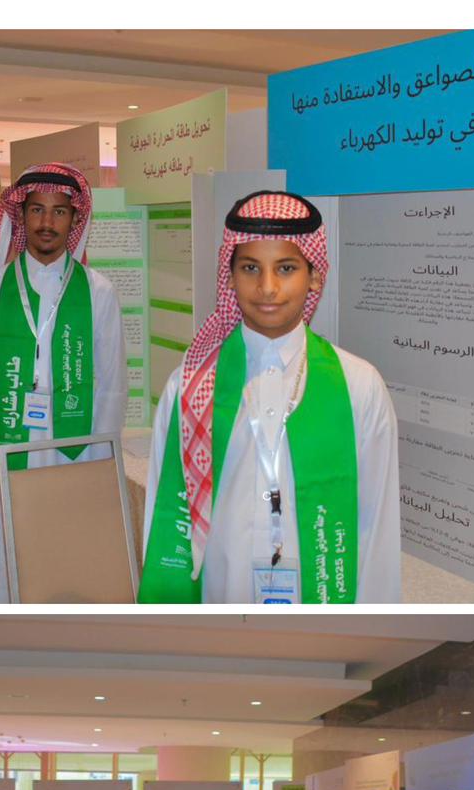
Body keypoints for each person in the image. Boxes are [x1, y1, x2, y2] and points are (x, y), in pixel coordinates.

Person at [139, 190, 401, 604]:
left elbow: (376, 525)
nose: (267, 287)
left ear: (315, 276)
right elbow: (165, 513)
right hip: (218, 601)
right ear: (229, 276)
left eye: (286, 268)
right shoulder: (189, 388)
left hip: (320, 607)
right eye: (250, 268)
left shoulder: (359, 386)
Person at [0, 161, 126, 603]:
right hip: (4, 448)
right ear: (21, 215)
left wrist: (100, 464)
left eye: (59, 211)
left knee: (65, 557)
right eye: (37, 210)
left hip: (75, 450)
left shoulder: (99, 292)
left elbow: (111, 385)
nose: (47, 222)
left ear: (74, 219)